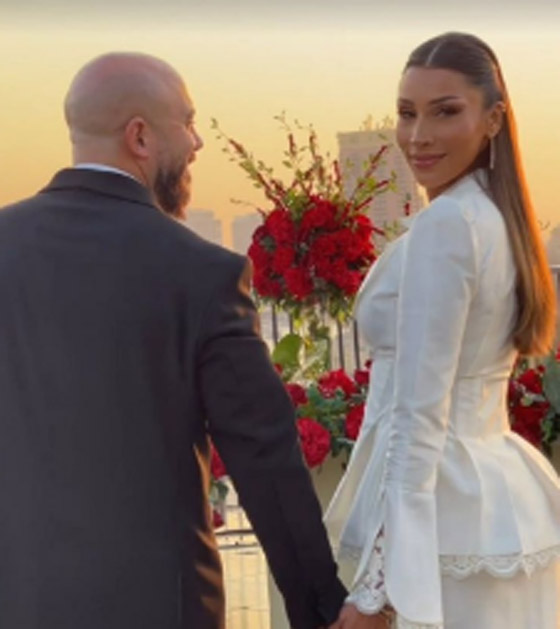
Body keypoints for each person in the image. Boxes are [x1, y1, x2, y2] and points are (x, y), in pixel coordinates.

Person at [0, 52, 347, 629]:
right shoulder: (201, 273)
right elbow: (264, 457)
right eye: (187, 122)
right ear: (139, 136)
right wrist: (323, 607)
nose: (197, 142)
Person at [325, 32, 560, 629]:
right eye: (407, 113)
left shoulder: (448, 223)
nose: (418, 135)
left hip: (443, 523)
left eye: (445, 111)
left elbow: (419, 415)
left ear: (493, 120)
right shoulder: (496, 217)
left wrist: (375, 592)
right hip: (496, 503)